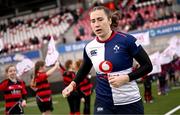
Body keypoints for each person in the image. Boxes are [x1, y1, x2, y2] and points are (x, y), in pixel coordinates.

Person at [62, 6, 152, 114]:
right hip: (103, 102)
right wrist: (72, 85)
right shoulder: (89, 47)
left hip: (129, 102)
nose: (96, 24)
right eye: (93, 21)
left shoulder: (127, 40)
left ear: (109, 20)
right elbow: (84, 68)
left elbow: (148, 66)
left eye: (100, 19)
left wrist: (127, 78)